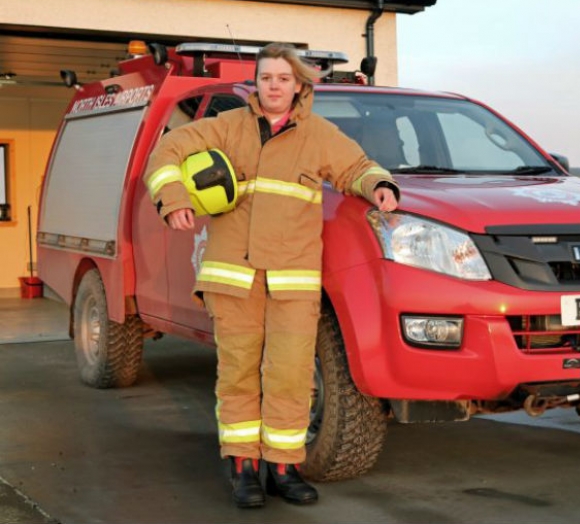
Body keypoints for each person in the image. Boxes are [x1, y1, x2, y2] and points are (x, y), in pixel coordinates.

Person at [143, 44, 399, 509]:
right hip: (234, 277)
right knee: (238, 375)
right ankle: (243, 469)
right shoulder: (226, 127)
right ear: (256, 84)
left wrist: (379, 186)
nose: (274, 86)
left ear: (299, 85)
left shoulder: (320, 135)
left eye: (283, 78)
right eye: (266, 78)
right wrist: (176, 198)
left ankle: (283, 468)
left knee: (291, 377)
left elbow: (358, 168)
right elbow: (166, 151)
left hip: (292, 282)